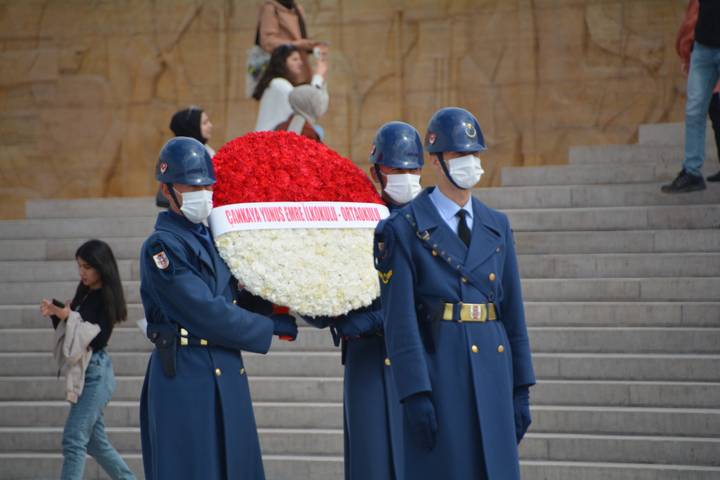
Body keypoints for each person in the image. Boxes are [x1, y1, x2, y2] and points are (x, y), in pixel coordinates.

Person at [374, 107, 535, 479]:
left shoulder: (497, 225)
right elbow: (400, 320)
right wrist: (414, 392)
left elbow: (513, 312)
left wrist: (521, 386)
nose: (470, 163)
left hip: (494, 369)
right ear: (434, 160)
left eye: (474, 154)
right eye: (459, 155)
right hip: (442, 368)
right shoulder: (404, 228)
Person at [138, 136, 298, 480]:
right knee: (194, 469)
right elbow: (204, 310)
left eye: (207, 185)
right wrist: (266, 328)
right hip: (186, 373)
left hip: (225, 367)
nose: (203, 193)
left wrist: (280, 301)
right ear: (168, 191)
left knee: (237, 467)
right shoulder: (161, 246)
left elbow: (237, 292)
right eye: (191, 186)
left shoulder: (215, 235)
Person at [305, 122, 424, 480]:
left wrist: (375, 319)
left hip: (419, 358)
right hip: (367, 361)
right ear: (376, 172)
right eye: (396, 169)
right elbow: (323, 281)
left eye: (412, 169)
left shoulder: (433, 221)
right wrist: (318, 308)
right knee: (370, 460)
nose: (406, 176)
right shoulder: (354, 220)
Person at [40, 240, 135, 480]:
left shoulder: (106, 296)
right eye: (80, 266)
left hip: (95, 373)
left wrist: (69, 316)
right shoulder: (84, 292)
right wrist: (57, 314)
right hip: (83, 371)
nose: (82, 272)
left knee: (73, 439)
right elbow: (75, 332)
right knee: (95, 443)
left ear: (101, 267)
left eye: (87, 267)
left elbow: (99, 338)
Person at [662, 0, 720, 193]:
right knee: (694, 110)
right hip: (703, 48)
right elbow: (694, 12)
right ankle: (692, 172)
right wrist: (687, 50)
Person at [253, 43, 327, 132]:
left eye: (299, 59)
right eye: (294, 59)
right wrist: (318, 76)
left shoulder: (276, 84)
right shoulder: (279, 84)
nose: (300, 63)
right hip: (270, 141)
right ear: (282, 62)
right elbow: (308, 103)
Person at [156, 106, 215, 207]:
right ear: (192, 127)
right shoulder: (178, 156)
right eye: (205, 123)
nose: (210, 125)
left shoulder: (206, 151)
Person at [257, 0, 319, 84]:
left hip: (301, 70)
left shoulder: (297, 8)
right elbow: (267, 42)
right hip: (282, 70)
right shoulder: (271, 8)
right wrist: (297, 44)